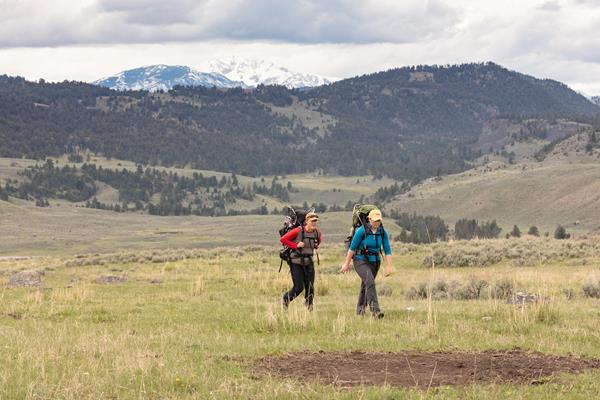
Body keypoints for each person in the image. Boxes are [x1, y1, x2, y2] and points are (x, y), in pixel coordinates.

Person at [340, 209, 392, 318]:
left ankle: (360, 311)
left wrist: (389, 266)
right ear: (369, 219)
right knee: (370, 282)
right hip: (360, 260)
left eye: (379, 220)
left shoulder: (382, 232)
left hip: (375, 262)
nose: (377, 222)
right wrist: (346, 264)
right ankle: (375, 311)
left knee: (366, 284)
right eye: (375, 220)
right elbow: (352, 248)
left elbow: (387, 250)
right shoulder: (361, 231)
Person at [280, 212, 322, 310]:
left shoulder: (317, 232)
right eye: (312, 221)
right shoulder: (297, 231)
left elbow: (319, 240)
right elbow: (283, 239)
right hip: (296, 263)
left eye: (315, 221)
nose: (314, 223)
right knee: (299, 288)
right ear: (306, 221)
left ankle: (309, 308)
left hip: (309, 262)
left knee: (310, 288)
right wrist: (295, 245)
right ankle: (286, 299)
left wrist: (315, 245)